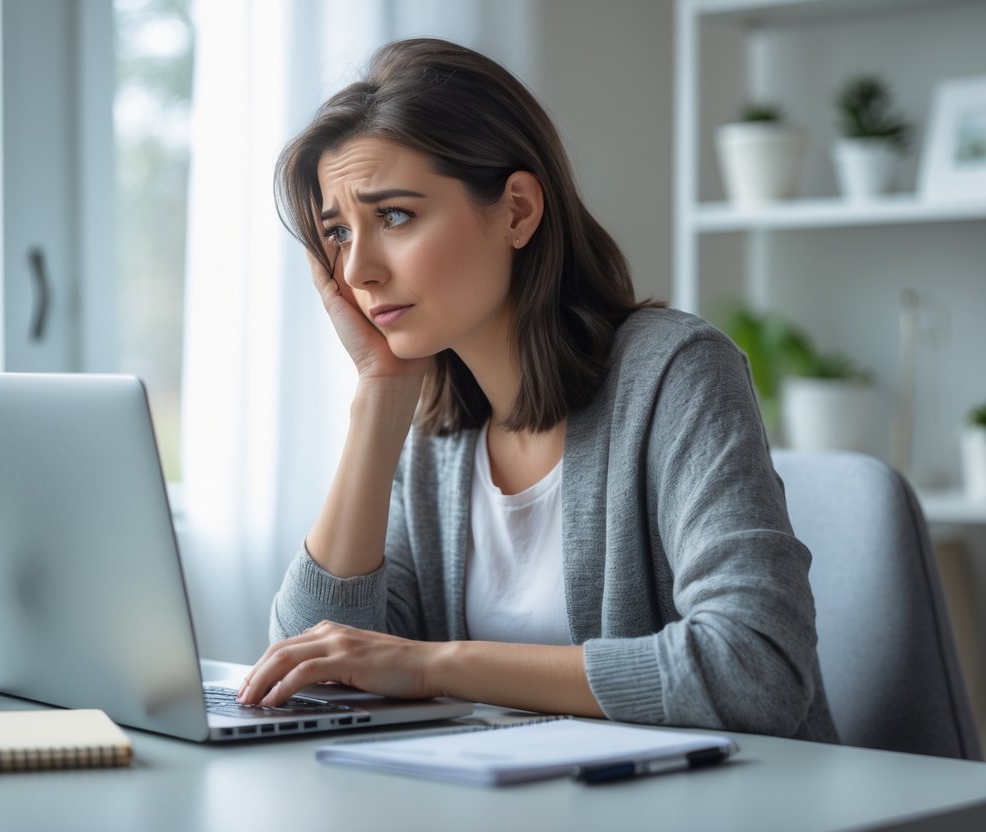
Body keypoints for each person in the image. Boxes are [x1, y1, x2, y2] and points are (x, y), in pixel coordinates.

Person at [236, 37, 837, 741]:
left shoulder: (675, 372)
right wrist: (378, 395)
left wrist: (436, 665)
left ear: (517, 210)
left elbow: (753, 672)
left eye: (394, 215)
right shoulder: (433, 433)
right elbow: (312, 665)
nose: (359, 269)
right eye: (337, 233)